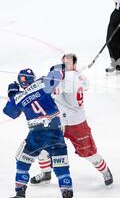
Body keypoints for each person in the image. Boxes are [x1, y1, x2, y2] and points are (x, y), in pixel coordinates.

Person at [30, 54, 114, 187]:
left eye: (68, 63)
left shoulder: (69, 79)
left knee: (88, 152)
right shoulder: (75, 76)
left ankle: (105, 171)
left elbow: (49, 89)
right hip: (58, 122)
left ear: (74, 65)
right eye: (63, 63)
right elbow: (85, 84)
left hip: (76, 123)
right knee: (43, 147)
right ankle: (46, 174)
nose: (64, 66)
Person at [3, 66, 74, 198]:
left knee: (22, 162)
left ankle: (20, 195)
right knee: (61, 166)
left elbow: (10, 112)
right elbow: (59, 73)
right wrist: (61, 68)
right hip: (55, 132)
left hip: (36, 135)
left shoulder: (19, 97)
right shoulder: (42, 82)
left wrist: (12, 95)